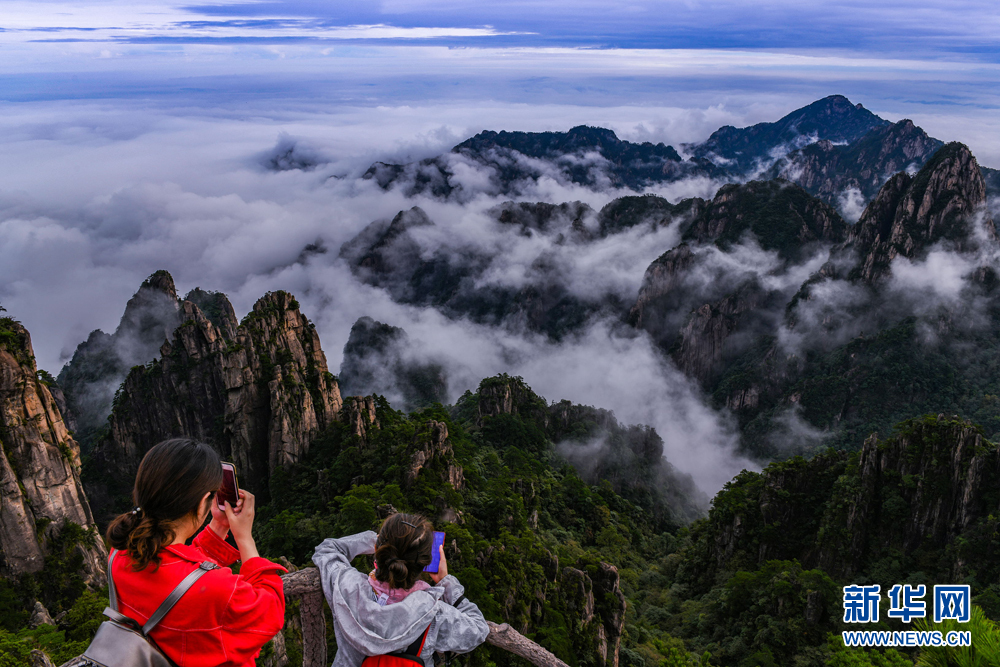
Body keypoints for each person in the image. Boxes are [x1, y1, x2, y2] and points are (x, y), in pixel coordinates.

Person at [105, 438, 287, 667]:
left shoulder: (121, 553)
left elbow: (182, 574)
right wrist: (245, 538)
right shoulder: (219, 589)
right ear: (203, 504)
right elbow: (269, 612)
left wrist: (219, 526)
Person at [313, 513, 490, 667]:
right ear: (426, 562)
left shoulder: (347, 588)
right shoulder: (433, 614)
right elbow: (478, 629)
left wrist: (377, 540)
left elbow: (327, 549)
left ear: (379, 551)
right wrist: (446, 581)